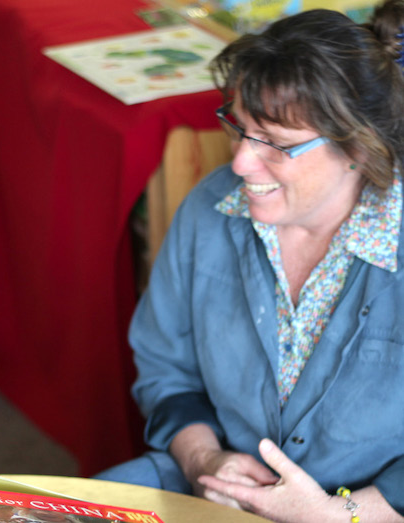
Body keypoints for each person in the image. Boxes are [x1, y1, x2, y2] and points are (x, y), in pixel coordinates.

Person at [96, 1, 404, 522]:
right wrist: (203, 459)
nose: (239, 162)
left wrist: (343, 515)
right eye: (238, 128)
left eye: (277, 144)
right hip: (213, 490)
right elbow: (166, 371)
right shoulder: (211, 210)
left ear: (359, 147)